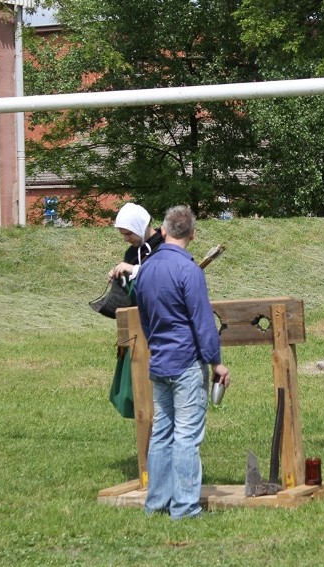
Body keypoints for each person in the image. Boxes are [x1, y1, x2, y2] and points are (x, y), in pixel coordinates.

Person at [134, 205, 230, 520]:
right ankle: (185, 507)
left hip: (160, 361)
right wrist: (216, 363)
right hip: (187, 363)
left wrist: (158, 345)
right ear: (192, 234)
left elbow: (145, 319)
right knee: (186, 435)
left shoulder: (146, 268)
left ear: (163, 231)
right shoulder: (189, 270)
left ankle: (156, 503)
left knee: (162, 431)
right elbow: (203, 322)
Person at [108, 202, 163, 287]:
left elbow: (167, 278)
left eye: (129, 233)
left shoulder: (166, 247)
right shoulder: (131, 253)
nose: (126, 239)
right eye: (123, 235)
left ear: (141, 227)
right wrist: (120, 279)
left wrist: (134, 270)